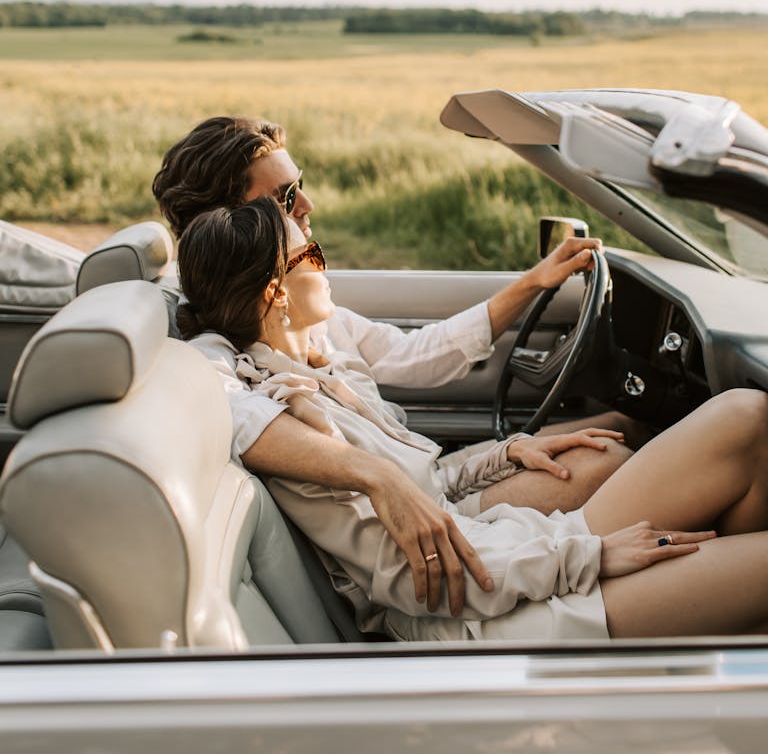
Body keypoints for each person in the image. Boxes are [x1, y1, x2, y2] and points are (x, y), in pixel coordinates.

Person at [177, 198, 768, 641]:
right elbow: (416, 583)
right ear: (277, 292)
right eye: (313, 252)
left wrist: (505, 453)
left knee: (747, 416)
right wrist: (592, 554)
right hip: (484, 618)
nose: (324, 256)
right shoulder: (283, 417)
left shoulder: (321, 372)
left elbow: (424, 478)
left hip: (508, 554)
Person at [153, 116, 633, 614]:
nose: (306, 206)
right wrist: (380, 478)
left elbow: (413, 354)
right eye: (284, 195)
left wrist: (532, 283)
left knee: (615, 434)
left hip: (440, 491)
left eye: (301, 186)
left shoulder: (311, 317)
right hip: (418, 548)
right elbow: (235, 415)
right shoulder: (214, 353)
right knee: (616, 453)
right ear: (229, 219)